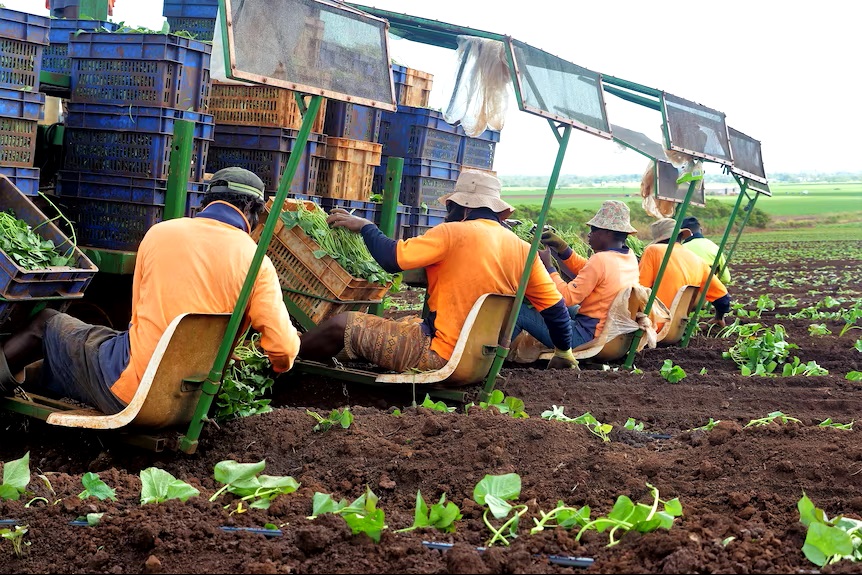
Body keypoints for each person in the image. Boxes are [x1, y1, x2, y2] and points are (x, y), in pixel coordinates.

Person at [0, 168, 301, 413]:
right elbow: (284, 349)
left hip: (126, 392)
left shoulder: (160, 233)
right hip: (192, 403)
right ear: (252, 211)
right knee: (96, 340)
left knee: (47, 323)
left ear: (208, 202)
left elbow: (138, 316)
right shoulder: (258, 262)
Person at [299, 169, 578, 371]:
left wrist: (366, 227)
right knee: (407, 323)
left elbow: (391, 259)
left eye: (450, 206)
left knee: (343, 324)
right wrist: (564, 352)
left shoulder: (453, 232)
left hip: (439, 357)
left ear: (464, 209)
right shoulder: (524, 250)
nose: (447, 211)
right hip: (480, 363)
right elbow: (556, 311)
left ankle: (278, 355)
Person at [513, 200, 640, 349]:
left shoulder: (601, 260)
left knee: (519, 312)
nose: (589, 235)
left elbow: (565, 298)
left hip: (585, 337)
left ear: (607, 233)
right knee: (562, 311)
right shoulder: (628, 257)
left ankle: (497, 356)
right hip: (608, 333)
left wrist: (548, 268)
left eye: (593, 230)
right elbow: (590, 270)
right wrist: (564, 249)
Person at [639, 218, 731, 328]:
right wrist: (718, 317)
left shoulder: (653, 251)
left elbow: (639, 291)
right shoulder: (697, 259)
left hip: (652, 326)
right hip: (677, 329)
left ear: (658, 240)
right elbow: (723, 299)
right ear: (681, 236)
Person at [681, 216, 731, 284]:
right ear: (701, 230)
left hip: (689, 291)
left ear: (683, 233)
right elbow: (726, 278)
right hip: (711, 291)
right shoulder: (715, 247)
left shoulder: (681, 249)